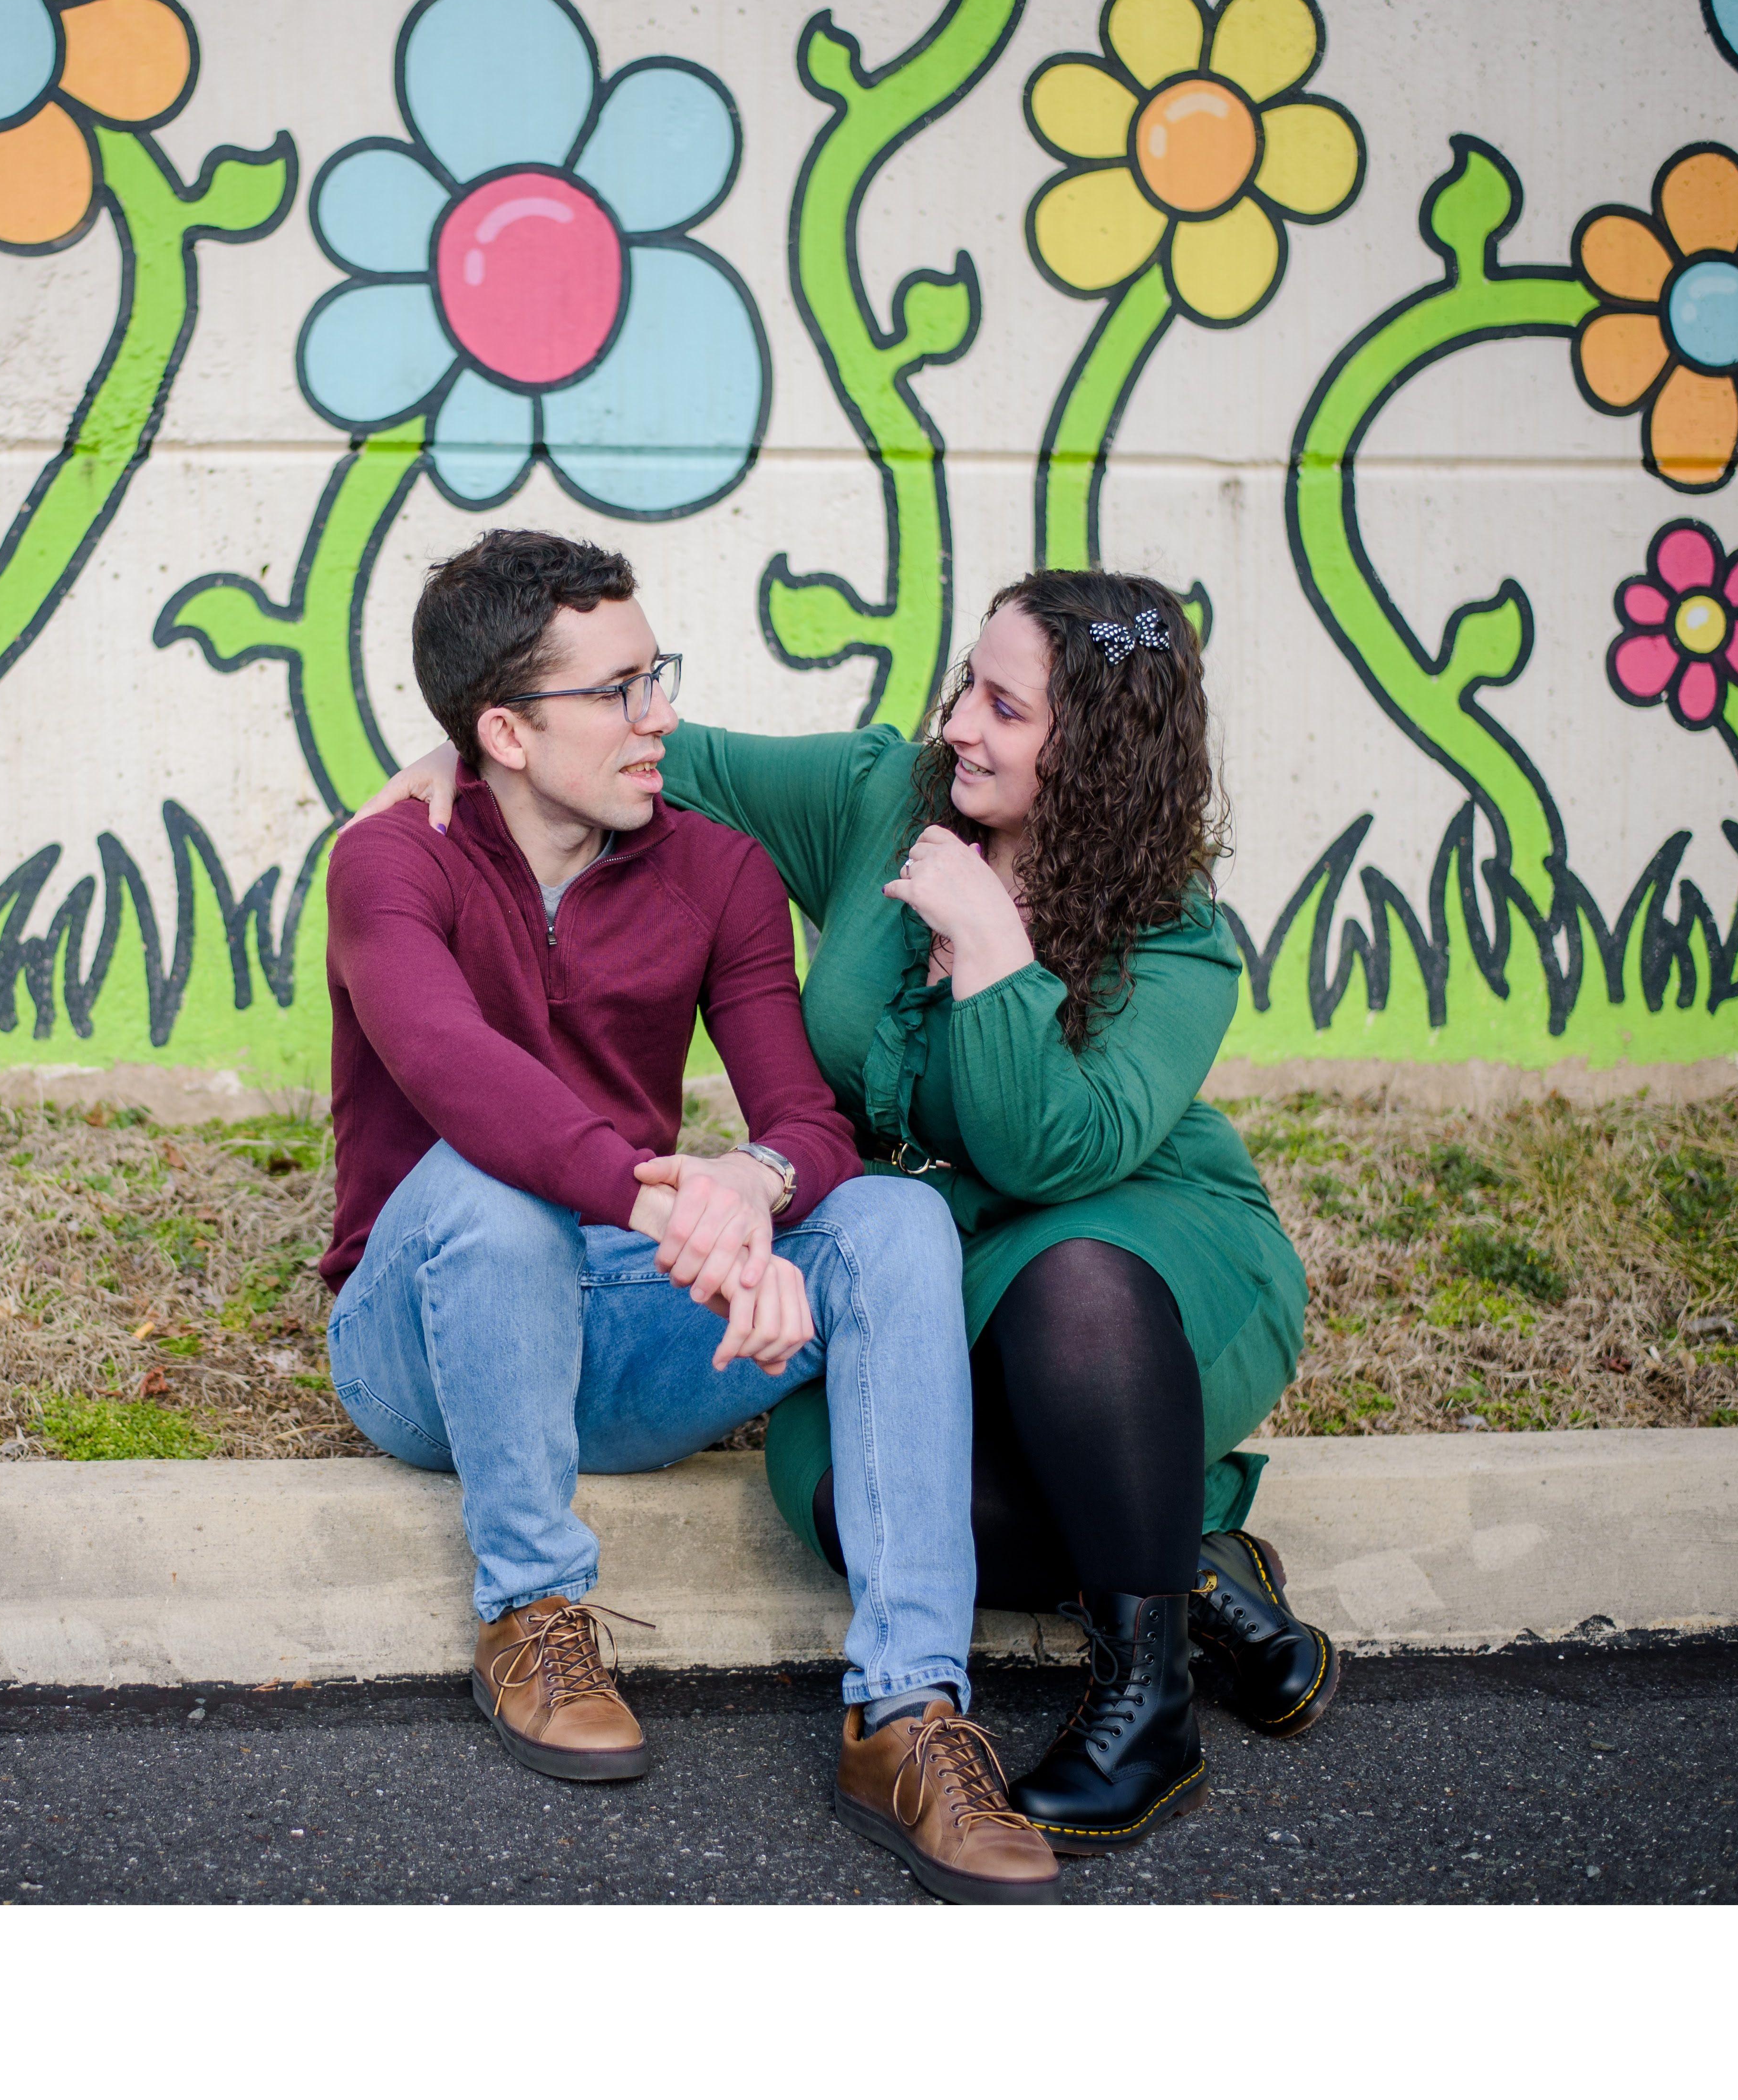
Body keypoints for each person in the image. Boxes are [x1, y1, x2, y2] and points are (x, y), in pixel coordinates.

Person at [361, 568, 1334, 1855]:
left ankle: (1131, 1709)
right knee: (833, 1485)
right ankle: (1184, 1552)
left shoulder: (1177, 936)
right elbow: (656, 749)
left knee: (1063, 1286)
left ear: (1097, 749)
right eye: (968, 686)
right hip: (934, 1251)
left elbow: (1055, 1156)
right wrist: (483, 748)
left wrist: (992, 952)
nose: (959, 724)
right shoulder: (887, 799)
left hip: (1124, 1264)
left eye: (1004, 709)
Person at [321, 527, 1059, 1901]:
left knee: (895, 1222)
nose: (660, 715)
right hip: (426, 1351)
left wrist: (751, 1192)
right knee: (494, 1178)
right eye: (618, 691)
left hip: (626, 1333)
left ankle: (907, 1715)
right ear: (506, 733)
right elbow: (456, 1071)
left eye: (657, 675)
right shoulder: (390, 863)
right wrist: (666, 1200)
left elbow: (806, 1120)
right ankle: (532, 1613)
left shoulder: (717, 872)